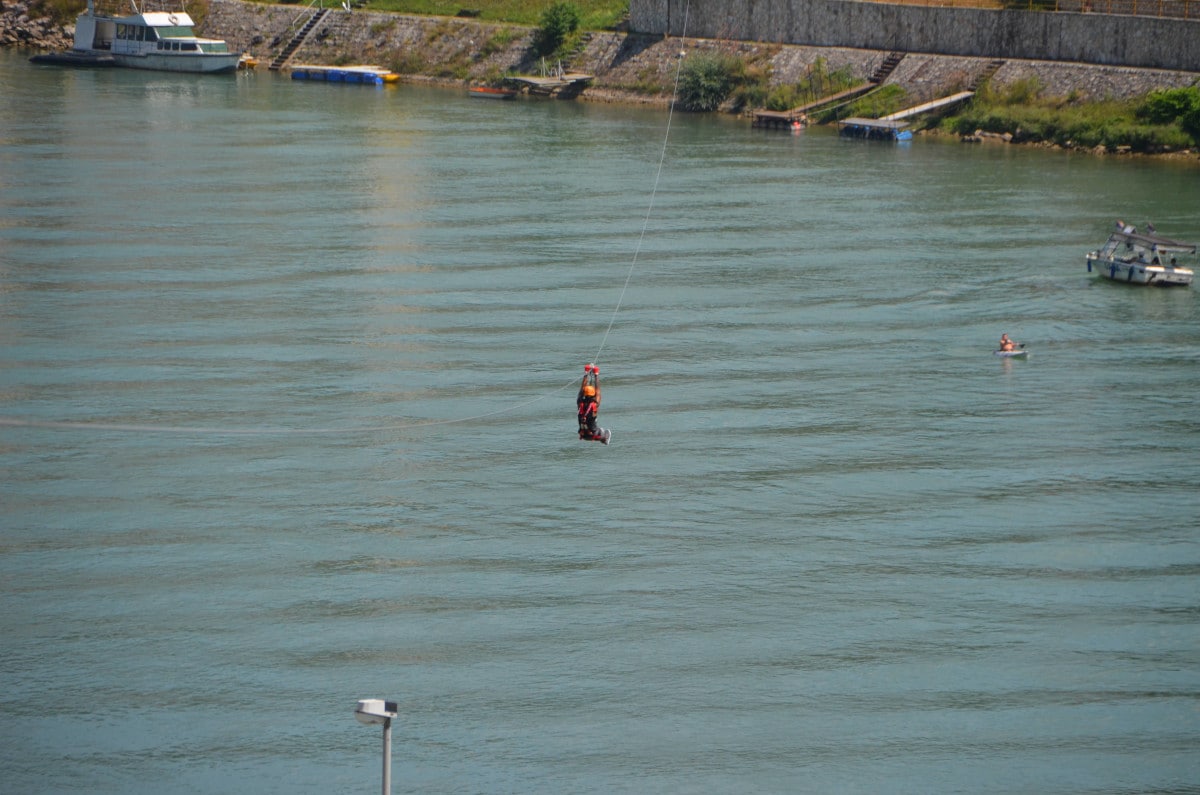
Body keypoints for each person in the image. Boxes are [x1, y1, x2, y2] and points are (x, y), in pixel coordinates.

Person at [576, 363, 605, 442]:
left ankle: (602, 438)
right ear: (593, 395)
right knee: (602, 431)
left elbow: (581, 389)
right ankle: (604, 439)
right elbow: (598, 391)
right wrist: (596, 374)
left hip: (583, 434)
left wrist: (586, 373)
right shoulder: (595, 404)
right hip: (593, 435)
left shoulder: (580, 402)